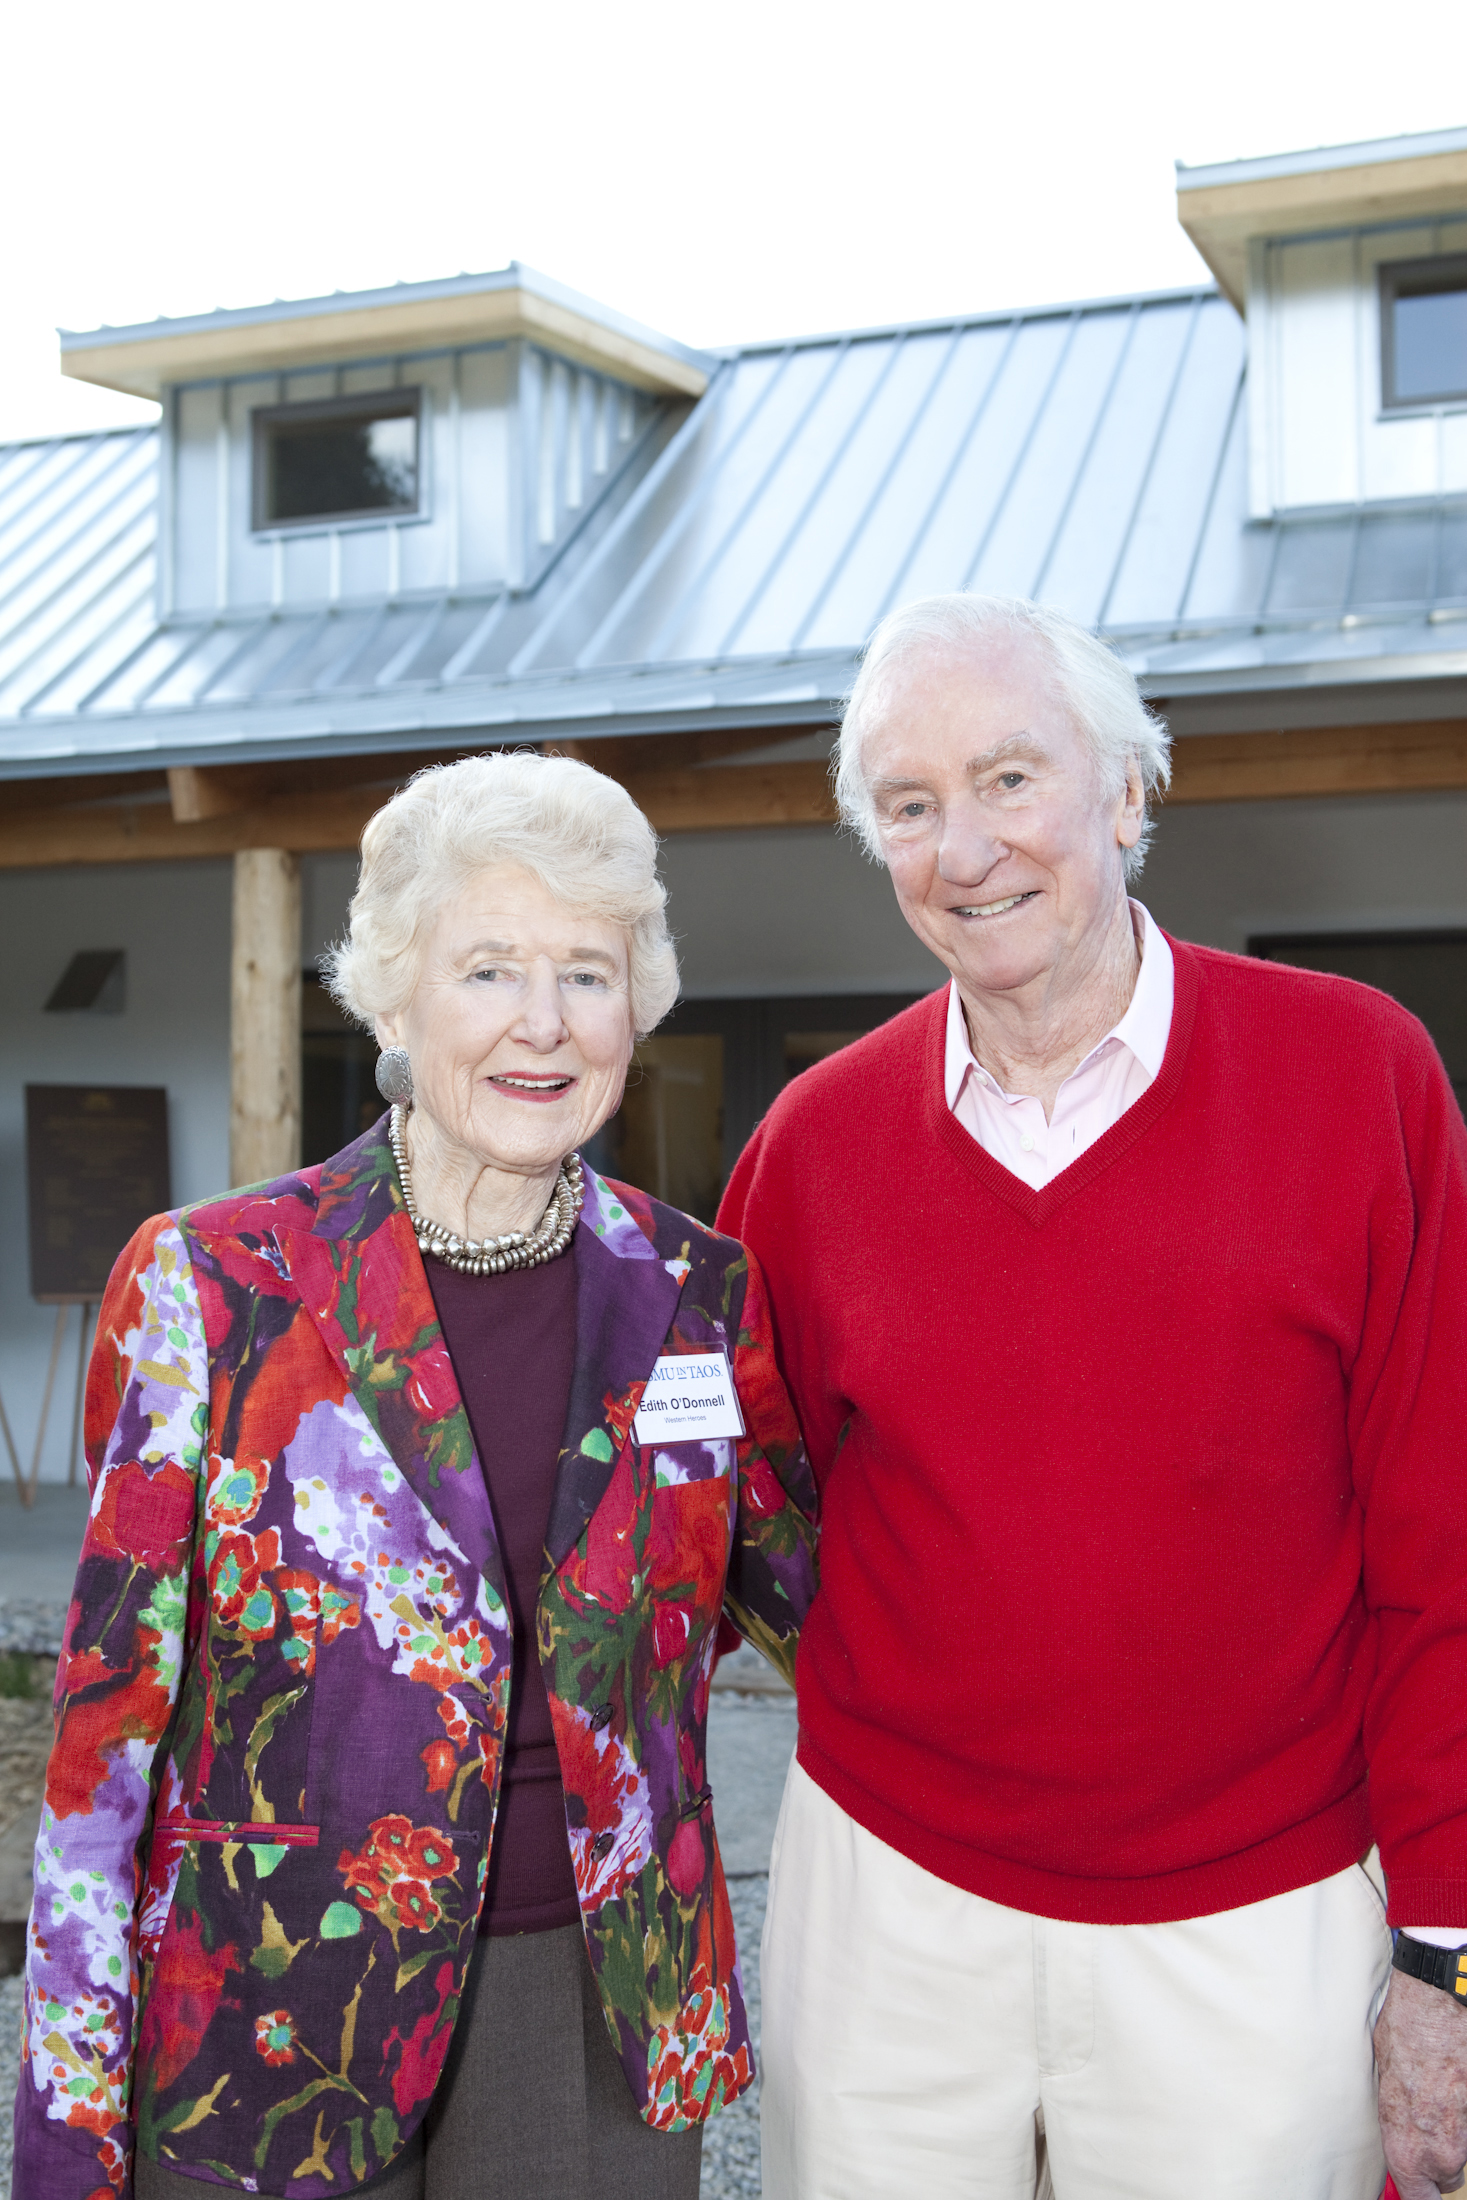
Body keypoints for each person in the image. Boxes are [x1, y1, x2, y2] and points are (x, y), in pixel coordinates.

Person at [718, 592, 1467, 2200]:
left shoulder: (1361, 1080)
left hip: (1260, 1910)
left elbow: (1443, 1536)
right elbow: (728, 1516)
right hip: (889, 1903)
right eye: (909, 808)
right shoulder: (812, 1146)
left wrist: (1448, 1949)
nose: (964, 847)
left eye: (1008, 779)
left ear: (1128, 792)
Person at [15, 751, 818, 2200]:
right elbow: (103, 1734)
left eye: (588, 972)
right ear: (392, 999)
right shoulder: (212, 1286)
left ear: (637, 1003)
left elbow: (842, 1610)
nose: (543, 1024)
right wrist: (67, 2130)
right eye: (489, 970)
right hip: (270, 2012)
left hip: (598, 2011)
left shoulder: (696, 1287)